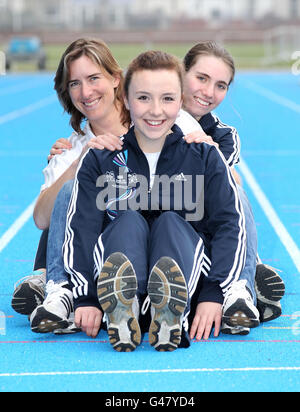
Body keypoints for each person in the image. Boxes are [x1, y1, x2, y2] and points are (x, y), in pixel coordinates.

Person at [89, 41, 285, 337]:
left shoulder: (219, 136)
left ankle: (239, 285)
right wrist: (83, 146)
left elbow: (224, 208)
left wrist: (208, 157)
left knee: (233, 190)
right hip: (140, 224)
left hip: (190, 231)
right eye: (202, 78)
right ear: (181, 75)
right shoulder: (145, 115)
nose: (208, 92)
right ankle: (56, 282)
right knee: (78, 192)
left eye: (221, 85)